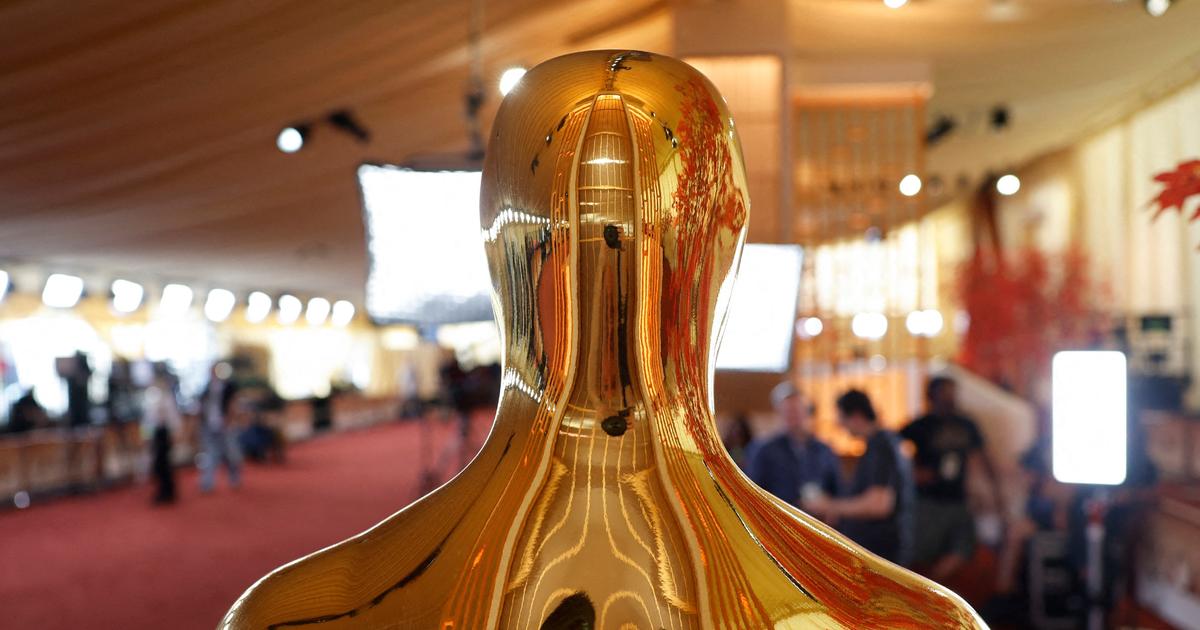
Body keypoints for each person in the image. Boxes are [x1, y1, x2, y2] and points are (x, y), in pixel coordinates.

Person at [901, 375, 1002, 581]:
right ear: (933, 395)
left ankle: (934, 590)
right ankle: (924, 592)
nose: (951, 397)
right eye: (945, 392)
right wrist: (913, 473)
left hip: (958, 500)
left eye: (953, 392)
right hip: (929, 501)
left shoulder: (966, 424)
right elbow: (893, 450)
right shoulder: (921, 425)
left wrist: (993, 492)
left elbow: (983, 459)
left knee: (964, 547)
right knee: (922, 552)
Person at [805, 389, 914, 566]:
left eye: (842, 418)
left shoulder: (881, 446)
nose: (840, 425)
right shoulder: (882, 443)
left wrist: (830, 506)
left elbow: (879, 504)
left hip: (882, 553)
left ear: (856, 416)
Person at [743, 383, 842, 509]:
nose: (794, 416)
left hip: (815, 517)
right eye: (788, 412)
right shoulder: (763, 450)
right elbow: (752, 493)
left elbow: (836, 491)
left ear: (807, 412)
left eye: (798, 411)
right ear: (779, 413)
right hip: (777, 515)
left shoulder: (824, 450)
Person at [199, 361, 242, 493]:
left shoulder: (229, 386)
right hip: (210, 425)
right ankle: (207, 482)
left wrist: (230, 419)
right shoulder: (206, 388)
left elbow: (234, 403)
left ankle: (234, 477)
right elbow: (202, 406)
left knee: (231, 453)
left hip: (226, 425)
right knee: (210, 454)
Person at [142, 366, 182, 504]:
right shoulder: (152, 397)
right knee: (159, 464)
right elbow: (148, 420)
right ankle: (164, 490)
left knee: (164, 463)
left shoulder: (167, 398)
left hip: (165, 433)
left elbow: (173, 418)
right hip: (157, 433)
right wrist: (146, 436)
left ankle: (168, 491)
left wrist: (175, 433)